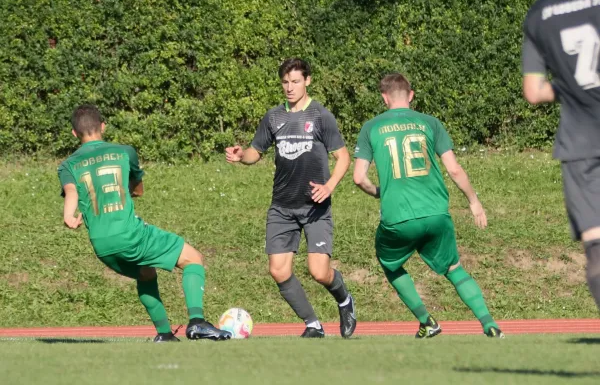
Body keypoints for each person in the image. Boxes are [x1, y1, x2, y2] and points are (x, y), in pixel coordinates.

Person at [58, 104, 232, 343]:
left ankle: (164, 334)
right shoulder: (124, 152)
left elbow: (71, 192)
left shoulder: (67, 165)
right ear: (103, 126)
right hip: (129, 234)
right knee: (193, 259)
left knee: (146, 273)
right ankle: (197, 322)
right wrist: (130, 190)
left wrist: (68, 216)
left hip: (101, 244)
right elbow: (137, 188)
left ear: (74, 134)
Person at [353, 73, 504, 338]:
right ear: (411, 95)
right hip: (436, 214)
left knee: (389, 263)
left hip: (398, 218)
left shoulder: (371, 127)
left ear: (384, 98)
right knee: (454, 268)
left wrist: (379, 192)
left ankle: (426, 321)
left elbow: (358, 178)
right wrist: (474, 202)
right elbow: (455, 170)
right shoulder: (431, 123)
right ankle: (489, 323)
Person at [225, 58, 356, 338]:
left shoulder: (320, 116)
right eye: (285, 82)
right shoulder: (274, 117)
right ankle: (313, 325)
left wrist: (330, 186)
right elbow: (255, 152)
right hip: (282, 207)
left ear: (307, 81)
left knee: (319, 272)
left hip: (315, 207)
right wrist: (241, 156)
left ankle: (345, 300)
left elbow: (343, 157)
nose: (290, 87)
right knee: (278, 270)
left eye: (295, 81)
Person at [522, 0, 600, 311]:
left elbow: (534, 91)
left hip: (580, 143)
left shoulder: (538, 14)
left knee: (596, 246)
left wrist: (567, 86)